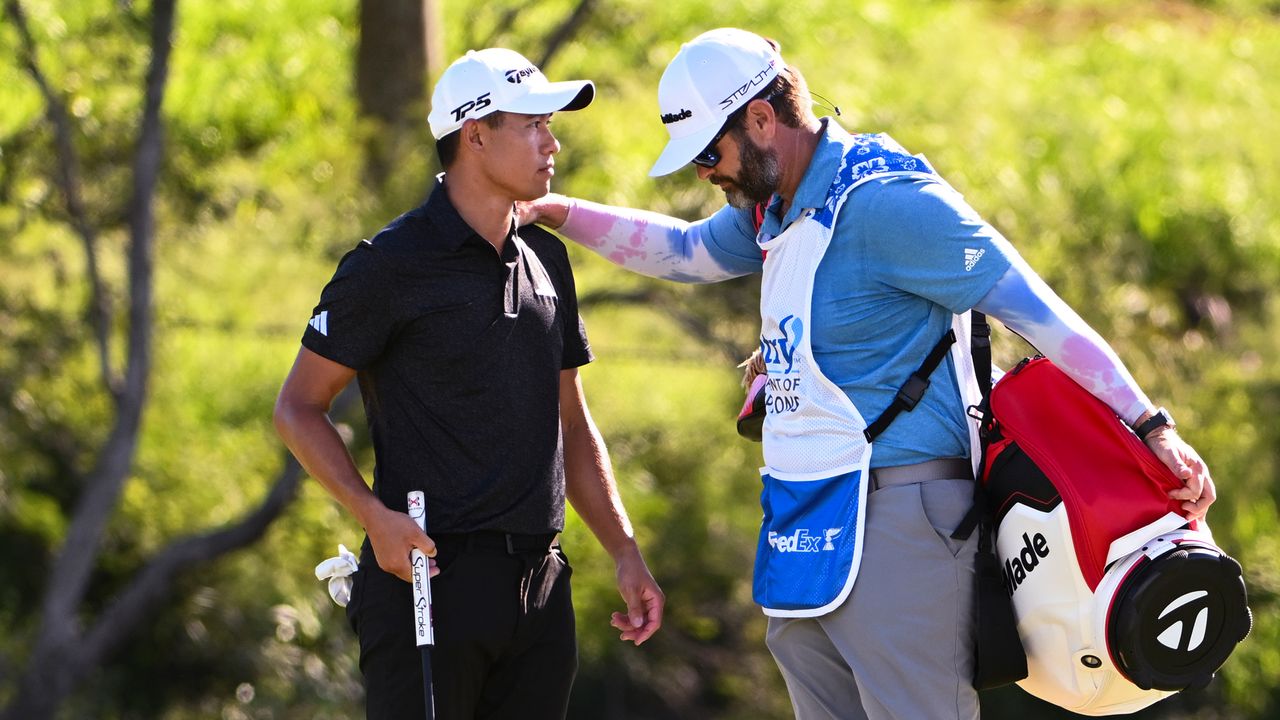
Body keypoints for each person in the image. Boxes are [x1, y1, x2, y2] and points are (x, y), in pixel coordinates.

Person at [519, 28, 1215, 720]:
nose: (705, 173)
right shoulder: (775, 206)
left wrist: (1152, 425)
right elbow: (685, 251)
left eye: (710, 152)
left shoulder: (891, 203)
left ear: (762, 119)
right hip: (803, 525)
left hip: (899, 520)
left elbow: (1039, 313)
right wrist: (554, 212)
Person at [274, 47, 664, 720]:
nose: (554, 142)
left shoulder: (547, 257)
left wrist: (624, 551)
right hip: (430, 582)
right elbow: (298, 408)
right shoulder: (388, 266)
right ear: (476, 133)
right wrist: (374, 519)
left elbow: (572, 422)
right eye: (533, 125)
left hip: (541, 589)